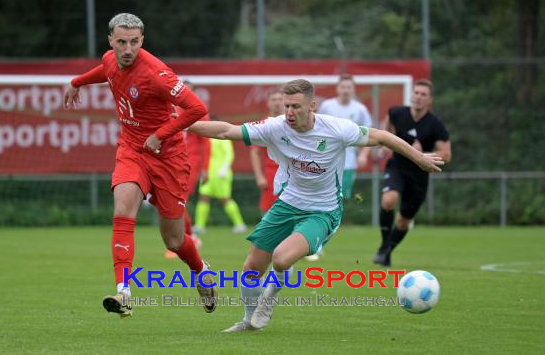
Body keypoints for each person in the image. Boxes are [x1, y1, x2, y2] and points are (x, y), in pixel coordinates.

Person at [188, 79, 444, 331]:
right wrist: (182, 125)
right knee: (250, 269)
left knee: (281, 258)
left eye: (296, 107)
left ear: (312, 106)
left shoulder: (336, 129)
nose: (289, 112)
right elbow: (225, 131)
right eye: (287, 106)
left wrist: (419, 158)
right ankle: (248, 321)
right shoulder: (275, 127)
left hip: (322, 211)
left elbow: (382, 136)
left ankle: (270, 298)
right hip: (287, 204)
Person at [63, 13, 217, 318]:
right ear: (111, 41)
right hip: (132, 150)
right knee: (122, 211)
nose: (128, 49)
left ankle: (200, 270)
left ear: (142, 40)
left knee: (174, 240)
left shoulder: (157, 74)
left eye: (134, 42)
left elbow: (198, 108)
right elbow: (104, 71)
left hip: (168, 158)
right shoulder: (110, 60)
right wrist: (76, 82)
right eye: (121, 42)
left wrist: (160, 135)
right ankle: (124, 292)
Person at [372, 79, 452, 267]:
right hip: (397, 165)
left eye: (423, 94)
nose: (418, 97)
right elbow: (388, 129)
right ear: (411, 94)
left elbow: (446, 155)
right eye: (416, 93)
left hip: (419, 175)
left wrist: (422, 154)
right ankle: (384, 246)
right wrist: (385, 145)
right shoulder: (397, 113)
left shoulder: (435, 124)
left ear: (429, 99)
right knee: (389, 200)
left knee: (403, 222)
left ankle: (388, 250)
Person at [164, 81, 208, 259]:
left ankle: (186, 238)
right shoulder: (172, 110)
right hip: (172, 162)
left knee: (178, 200)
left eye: (188, 91)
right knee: (171, 200)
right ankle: (189, 237)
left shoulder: (198, 112)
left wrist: (205, 168)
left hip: (191, 163)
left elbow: (206, 142)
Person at [318, 74, 373, 199]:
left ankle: (336, 219)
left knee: (340, 197)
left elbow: (370, 133)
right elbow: (318, 130)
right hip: (326, 159)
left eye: (349, 87)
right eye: (343, 87)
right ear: (337, 88)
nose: (345, 90)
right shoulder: (327, 106)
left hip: (349, 162)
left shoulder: (360, 109)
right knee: (325, 195)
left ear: (354, 89)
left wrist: (364, 155)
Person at [193, 135, 247, 234]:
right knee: (203, 197)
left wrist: (224, 169)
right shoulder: (206, 139)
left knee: (225, 199)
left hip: (220, 174)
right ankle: (199, 226)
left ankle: (240, 224)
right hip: (208, 173)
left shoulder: (222, 137)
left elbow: (229, 154)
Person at [249, 89, 284, 215]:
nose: (277, 103)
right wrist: (259, 176)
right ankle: (269, 233)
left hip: (293, 172)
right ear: (268, 103)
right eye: (274, 100)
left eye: (280, 100)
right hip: (271, 173)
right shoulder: (263, 125)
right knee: (268, 208)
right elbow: (255, 152)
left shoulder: (293, 122)